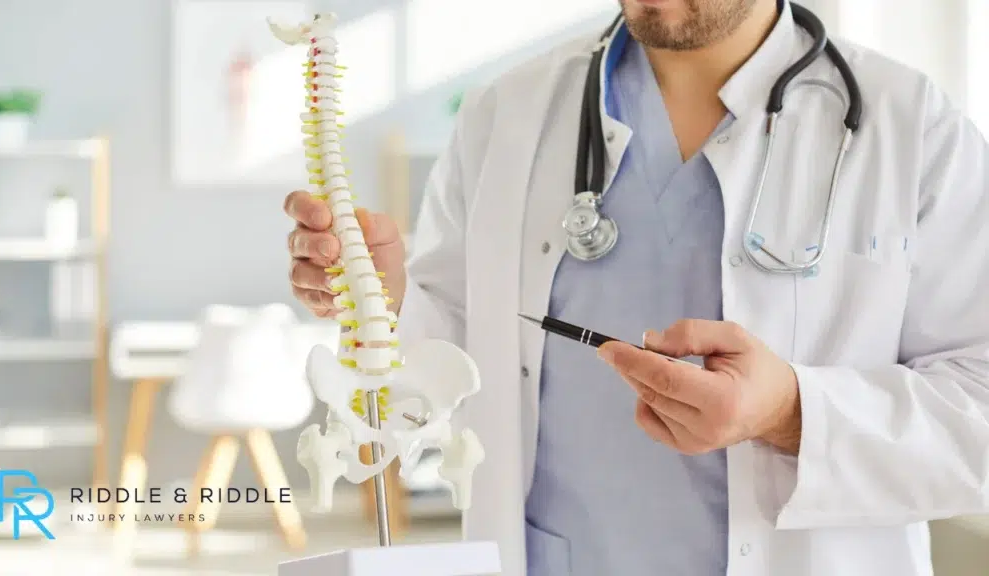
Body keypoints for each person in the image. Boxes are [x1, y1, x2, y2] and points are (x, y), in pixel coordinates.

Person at [284, 0, 989, 574]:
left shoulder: (912, 128)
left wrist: (789, 413)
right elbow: (461, 347)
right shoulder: (510, 112)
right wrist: (388, 301)